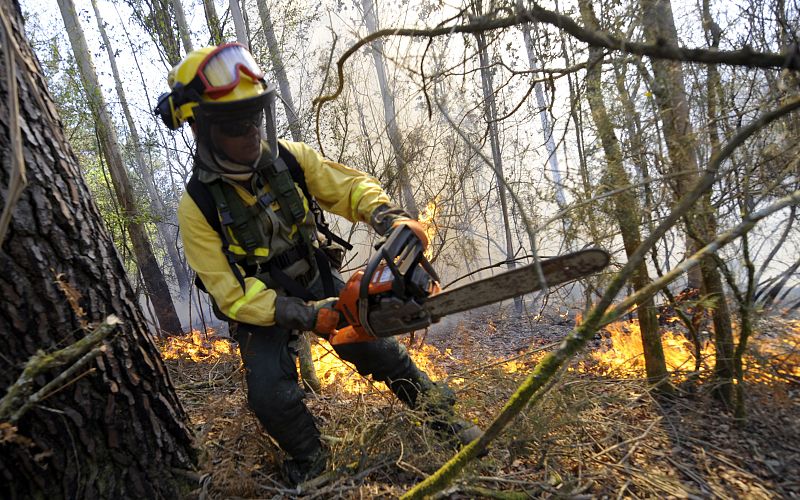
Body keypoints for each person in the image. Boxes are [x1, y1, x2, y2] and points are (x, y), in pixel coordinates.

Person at [155, 43, 482, 484]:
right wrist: (307, 315)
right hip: (260, 305)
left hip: (313, 273)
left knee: (377, 348)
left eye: (254, 118)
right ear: (201, 128)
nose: (250, 133)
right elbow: (230, 295)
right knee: (270, 395)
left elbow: (348, 187)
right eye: (235, 124)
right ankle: (313, 462)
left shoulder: (290, 159)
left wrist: (387, 215)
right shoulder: (197, 207)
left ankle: (445, 421)